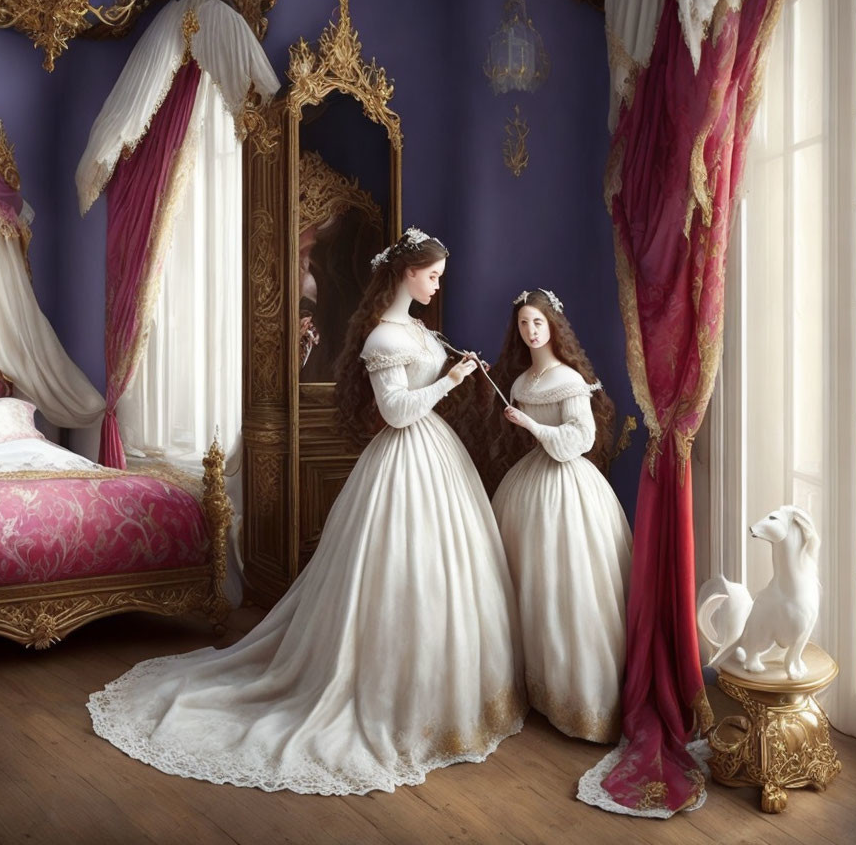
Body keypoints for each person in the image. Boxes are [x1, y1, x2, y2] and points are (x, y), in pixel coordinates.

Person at [88, 228, 527, 795]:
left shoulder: (417, 328)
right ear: (405, 273)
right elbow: (394, 413)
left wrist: (451, 367)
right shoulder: (382, 339)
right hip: (403, 455)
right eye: (433, 274)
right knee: (394, 575)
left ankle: (452, 696)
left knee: (445, 573)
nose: (439, 284)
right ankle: (382, 697)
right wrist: (448, 379)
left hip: (437, 458)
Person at [490, 288, 631, 744]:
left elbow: (579, 440)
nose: (531, 331)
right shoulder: (522, 383)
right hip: (529, 486)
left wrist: (531, 425)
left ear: (553, 326)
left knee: (569, 589)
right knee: (528, 585)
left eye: (538, 323)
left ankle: (584, 700)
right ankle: (538, 686)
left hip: (568, 486)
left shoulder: (568, 380)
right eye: (524, 324)